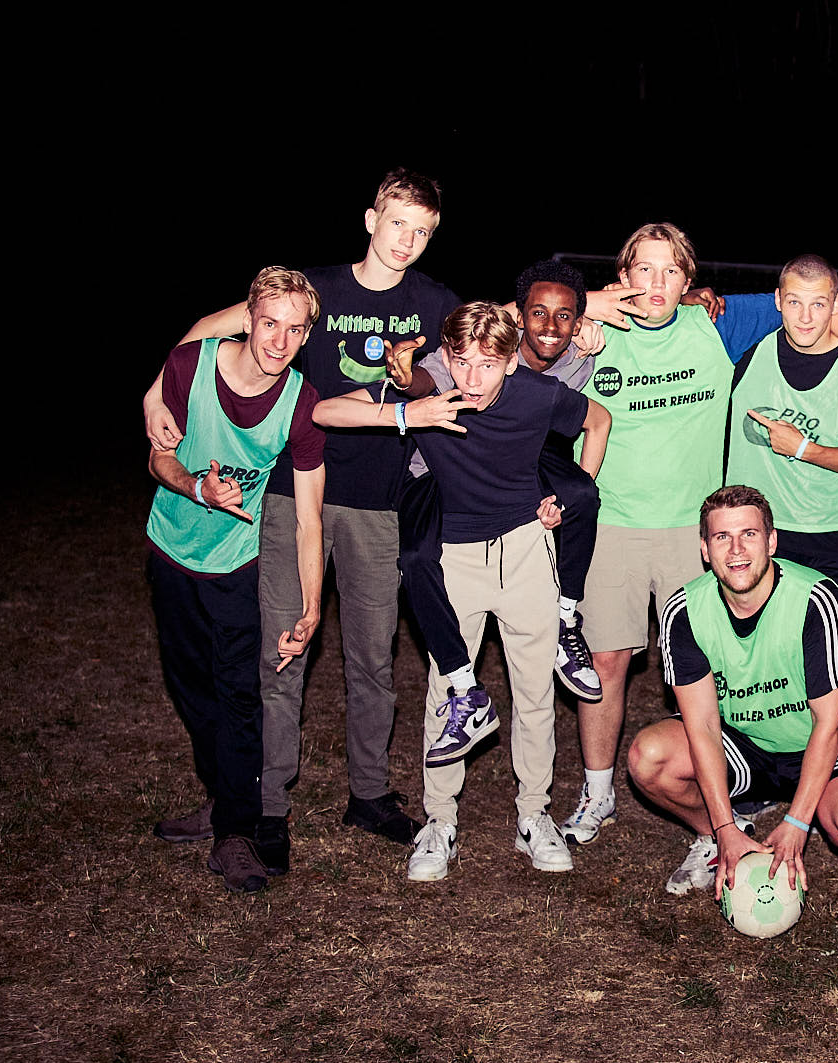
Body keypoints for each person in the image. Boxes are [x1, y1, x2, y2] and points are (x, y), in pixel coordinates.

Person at [144, 169, 458, 870]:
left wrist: (585, 309)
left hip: (379, 501)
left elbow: (490, 339)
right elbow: (205, 332)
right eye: (397, 222)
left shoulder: (434, 301)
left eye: (423, 230)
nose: (407, 240)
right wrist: (149, 395)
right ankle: (265, 805)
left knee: (373, 657)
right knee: (281, 653)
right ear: (371, 217)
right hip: (293, 494)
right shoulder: (315, 292)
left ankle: (370, 794)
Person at [562, 223, 838, 850]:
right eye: (643, 269)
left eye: (670, 271)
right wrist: (583, 307)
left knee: (725, 656)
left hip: (702, 532)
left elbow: (806, 307)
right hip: (614, 523)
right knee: (607, 660)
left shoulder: (714, 327)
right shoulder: (590, 335)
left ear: (689, 281)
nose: (655, 284)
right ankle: (597, 793)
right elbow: (505, 328)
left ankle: (761, 770)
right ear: (622, 274)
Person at [313, 302, 611, 882]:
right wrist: (405, 412)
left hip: (526, 549)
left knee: (533, 694)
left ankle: (534, 816)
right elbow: (327, 411)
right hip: (455, 556)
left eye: (488, 363)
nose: (473, 378)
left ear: (510, 360)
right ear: (448, 358)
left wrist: (573, 496)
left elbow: (597, 422)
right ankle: (440, 820)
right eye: (462, 361)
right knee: (447, 694)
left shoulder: (536, 394)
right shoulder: (434, 396)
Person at [146, 267, 326, 893]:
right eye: (269, 324)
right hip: (170, 549)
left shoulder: (301, 403)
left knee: (239, 696)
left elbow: (309, 518)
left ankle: (236, 836)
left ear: (306, 335)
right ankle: (222, 800)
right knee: (191, 691)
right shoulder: (189, 365)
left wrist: (311, 606)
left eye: (294, 330)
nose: (279, 341)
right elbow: (158, 452)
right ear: (247, 319)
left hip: (236, 564)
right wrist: (196, 486)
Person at [628, 486, 838, 901]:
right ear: (704, 548)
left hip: (824, 742)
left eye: (749, 534)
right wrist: (723, 828)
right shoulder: (683, 611)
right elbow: (702, 726)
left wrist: (798, 824)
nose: (736, 549)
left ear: (771, 541)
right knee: (649, 758)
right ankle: (721, 836)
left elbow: (831, 723)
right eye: (721, 537)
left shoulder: (815, 599)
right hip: (746, 743)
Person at [385, 261, 607, 749]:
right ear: (518, 318)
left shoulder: (578, 355)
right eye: (537, 314)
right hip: (443, 468)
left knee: (583, 495)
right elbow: (424, 378)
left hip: (527, 458)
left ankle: (568, 617)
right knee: (417, 558)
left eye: (566, 317)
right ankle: (463, 688)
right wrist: (402, 378)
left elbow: (596, 413)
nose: (551, 327)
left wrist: (697, 298)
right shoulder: (482, 353)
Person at [726, 253, 838, 632]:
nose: (805, 317)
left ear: (836, 305)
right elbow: (687, 309)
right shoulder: (746, 350)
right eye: (794, 303)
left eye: (818, 304)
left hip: (828, 535)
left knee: (830, 664)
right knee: (754, 658)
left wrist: (805, 449)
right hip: (753, 532)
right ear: (777, 302)